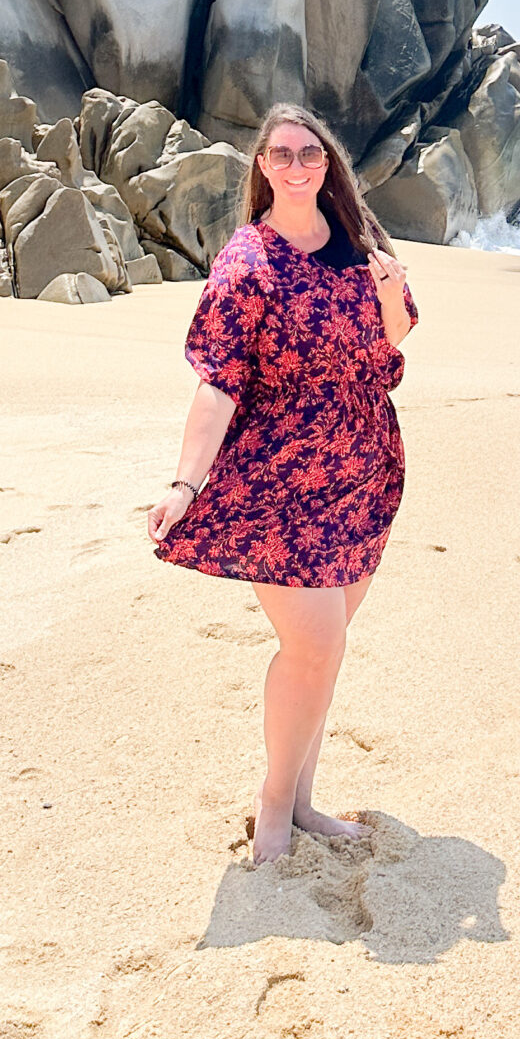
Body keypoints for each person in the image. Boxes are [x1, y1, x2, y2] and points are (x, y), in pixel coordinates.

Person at [147, 101, 418, 864]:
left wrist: (392, 293)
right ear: (262, 168)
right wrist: (183, 484)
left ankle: (302, 801)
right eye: (282, 155)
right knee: (314, 644)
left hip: (365, 470)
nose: (297, 166)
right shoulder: (248, 260)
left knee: (325, 652)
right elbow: (218, 385)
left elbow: (392, 344)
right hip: (283, 481)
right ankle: (273, 804)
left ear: (326, 165)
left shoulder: (360, 244)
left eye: (310, 154)